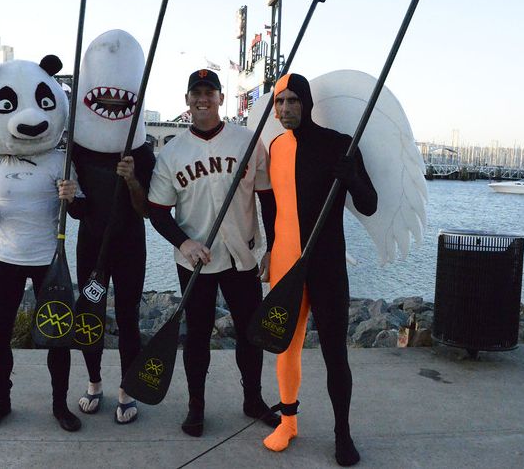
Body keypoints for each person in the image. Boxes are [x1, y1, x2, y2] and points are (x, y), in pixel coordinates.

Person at [148, 68, 280, 437]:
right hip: (195, 260)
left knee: (250, 334)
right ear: (187, 100)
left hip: (242, 255)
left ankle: (252, 399)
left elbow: (268, 200)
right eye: (196, 93)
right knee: (197, 335)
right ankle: (196, 406)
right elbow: (157, 211)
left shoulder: (248, 141)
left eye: (210, 92)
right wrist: (184, 243)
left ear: (221, 98)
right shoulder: (172, 152)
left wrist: (272, 248)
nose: (203, 99)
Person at [262, 73, 377, 466]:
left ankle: (342, 433)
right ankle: (288, 422)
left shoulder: (339, 145)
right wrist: (268, 251)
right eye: (280, 102)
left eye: (293, 101)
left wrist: (352, 178)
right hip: (284, 263)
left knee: (334, 352)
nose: (286, 108)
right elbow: (271, 209)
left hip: (327, 265)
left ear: (307, 103)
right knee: (285, 347)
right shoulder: (274, 148)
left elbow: (370, 204)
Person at [0, 55, 83, 432]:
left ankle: (60, 406)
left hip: (50, 262)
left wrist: (72, 196)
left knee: (58, 337)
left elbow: (80, 212)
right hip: (8, 259)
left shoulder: (58, 161)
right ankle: (2, 401)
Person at [68, 29, 156, 425]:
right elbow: (75, 213)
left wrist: (133, 179)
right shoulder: (78, 147)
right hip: (91, 243)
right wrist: (70, 194)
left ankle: (127, 389)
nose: (107, 103)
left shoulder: (143, 151)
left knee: (129, 317)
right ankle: (93, 383)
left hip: (129, 244)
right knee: (90, 314)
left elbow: (146, 210)